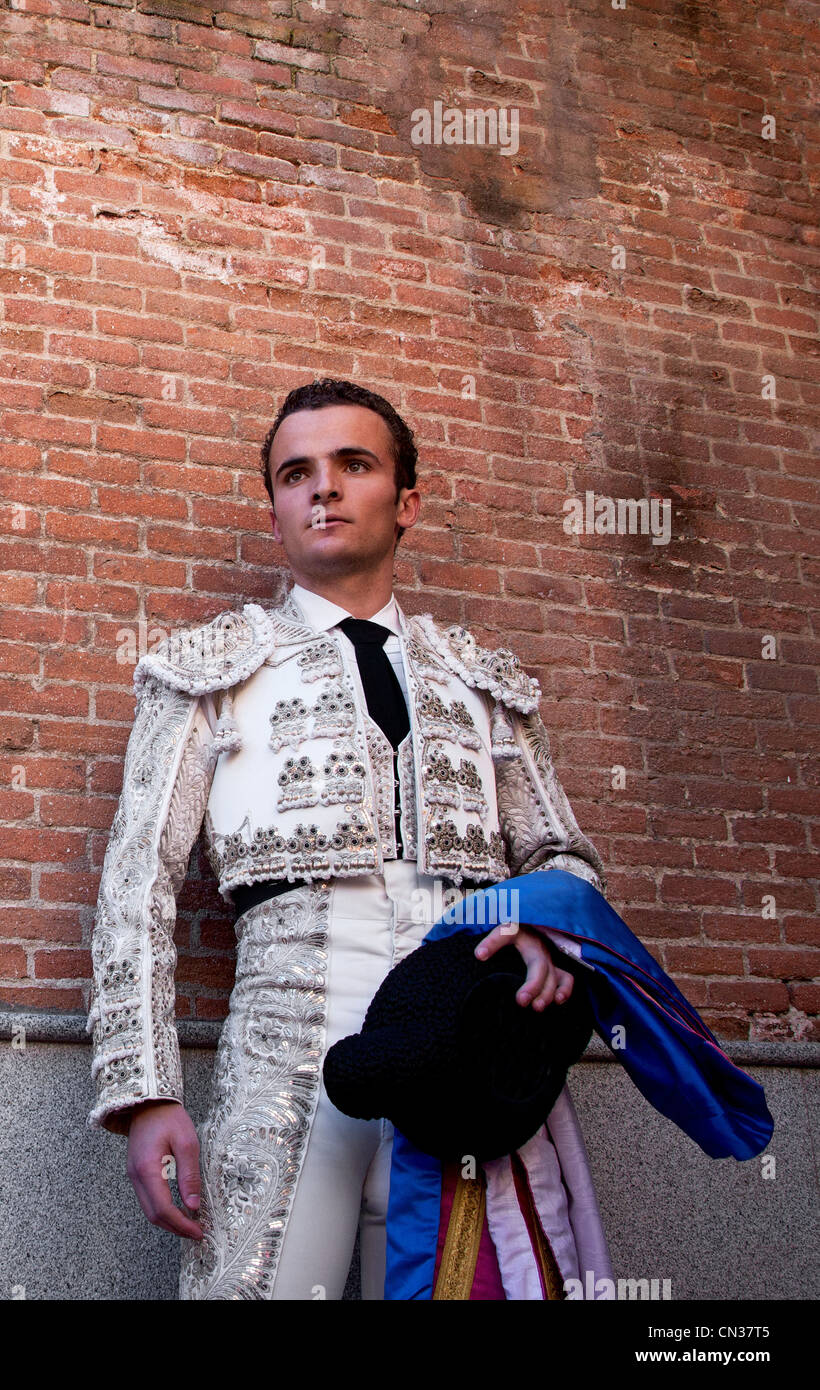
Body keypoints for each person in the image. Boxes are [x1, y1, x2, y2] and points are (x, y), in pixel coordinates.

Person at [86, 378, 612, 1299]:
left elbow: (564, 856)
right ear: (277, 509)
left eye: (352, 464)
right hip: (284, 1059)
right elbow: (139, 884)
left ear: (405, 502)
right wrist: (146, 1093)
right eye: (296, 474)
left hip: (462, 1049)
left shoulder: (482, 684)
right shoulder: (210, 670)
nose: (321, 488)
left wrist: (537, 926)